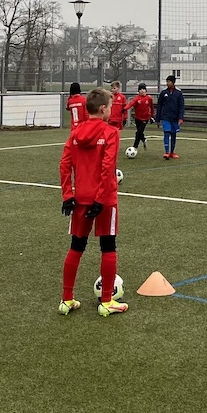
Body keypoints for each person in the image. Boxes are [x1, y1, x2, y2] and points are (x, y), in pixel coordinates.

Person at [58, 87, 127, 317]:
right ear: (103, 109)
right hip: (104, 199)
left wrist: (68, 195)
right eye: (111, 106)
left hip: (80, 198)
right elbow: (108, 168)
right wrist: (100, 198)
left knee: (76, 246)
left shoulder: (76, 132)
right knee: (108, 246)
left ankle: (66, 299)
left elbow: (64, 165)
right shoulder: (111, 132)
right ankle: (106, 301)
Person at [157, 75, 185, 160]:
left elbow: (181, 106)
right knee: (166, 132)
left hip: (175, 118)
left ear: (173, 82)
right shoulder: (163, 93)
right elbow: (159, 105)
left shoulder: (178, 93)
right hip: (166, 117)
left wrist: (180, 118)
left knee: (173, 134)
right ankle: (166, 152)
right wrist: (158, 118)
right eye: (167, 81)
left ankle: (172, 152)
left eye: (169, 81)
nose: (167, 83)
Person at [124, 82, 154, 152]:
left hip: (145, 118)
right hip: (137, 118)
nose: (142, 91)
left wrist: (152, 116)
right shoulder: (137, 98)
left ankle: (135, 147)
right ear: (138, 91)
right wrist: (125, 109)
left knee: (138, 133)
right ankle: (143, 139)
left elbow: (152, 108)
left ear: (146, 90)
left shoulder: (149, 98)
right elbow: (131, 104)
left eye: (143, 89)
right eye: (140, 89)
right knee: (139, 132)